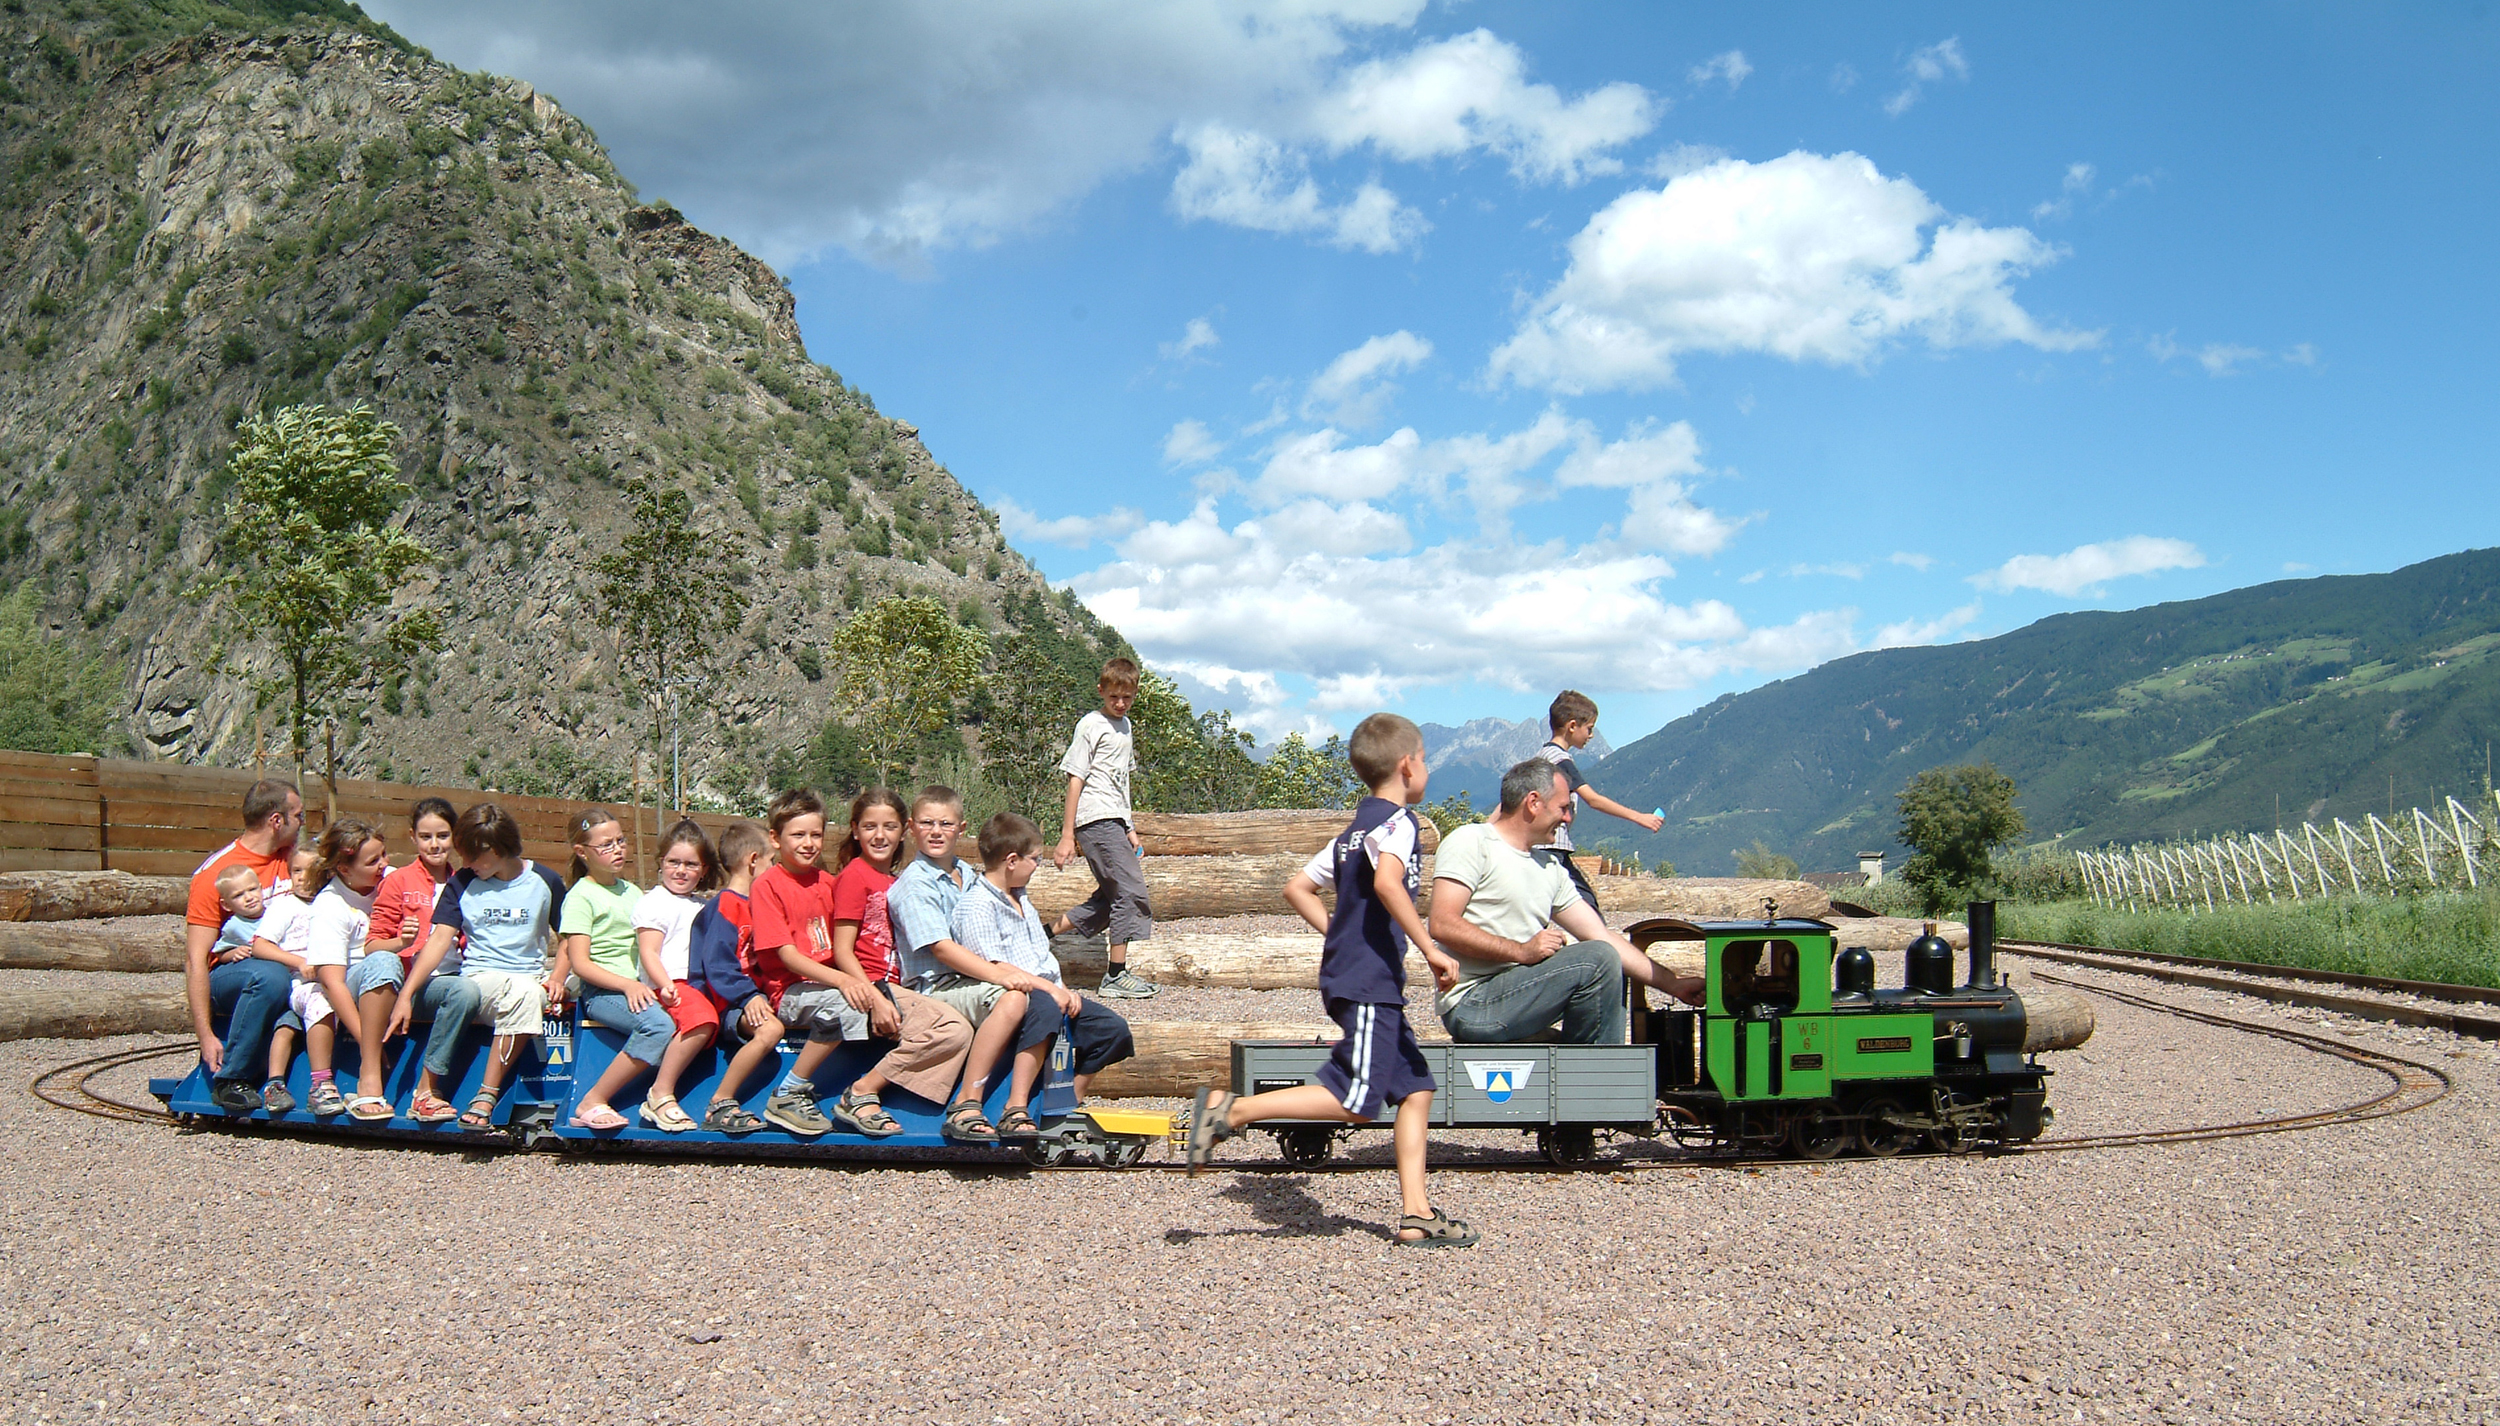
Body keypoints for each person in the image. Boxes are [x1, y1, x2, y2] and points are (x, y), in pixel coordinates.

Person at [1185, 713, 1476, 1247]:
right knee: (1358, 1102)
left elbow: (1297, 888)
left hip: (1360, 975)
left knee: (1416, 1088)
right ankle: (1234, 1110)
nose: (1427, 768)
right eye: (1425, 759)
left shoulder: (1350, 835)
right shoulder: (1400, 823)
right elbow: (1388, 884)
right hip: (1368, 981)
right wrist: (1430, 948)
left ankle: (1417, 1214)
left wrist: (1341, 934)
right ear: (1407, 765)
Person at [1430, 759, 1703, 1046]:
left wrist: (1674, 984)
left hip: (1519, 994)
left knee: (1607, 957)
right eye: (1563, 807)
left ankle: (1586, 1064)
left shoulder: (1549, 867)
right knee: (1599, 959)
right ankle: (1597, 1067)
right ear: (1533, 802)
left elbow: (1600, 935)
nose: (1568, 818)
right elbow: (1443, 924)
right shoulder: (1472, 842)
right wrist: (1521, 951)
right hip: (1473, 1003)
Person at [749, 788, 971, 1138]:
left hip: (874, 985)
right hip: (822, 988)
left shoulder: (840, 881)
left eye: (816, 835)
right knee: (950, 1028)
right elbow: (830, 952)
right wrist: (864, 990)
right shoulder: (848, 877)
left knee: (956, 1023)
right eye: (870, 827)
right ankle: (808, 1091)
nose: (880, 836)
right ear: (855, 830)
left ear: (904, 830)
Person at [391, 802, 568, 1131]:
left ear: (497, 850)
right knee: (526, 993)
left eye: (473, 857)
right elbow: (438, 940)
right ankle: (485, 1094)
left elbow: (569, 936)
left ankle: (488, 1094)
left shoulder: (545, 880)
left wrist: (558, 975)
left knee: (530, 991)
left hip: (530, 978)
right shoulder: (462, 883)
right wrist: (407, 993)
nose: (467, 864)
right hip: (481, 979)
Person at [888, 785, 1045, 1142]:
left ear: (961, 829)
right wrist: (1000, 975)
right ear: (911, 828)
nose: (936, 831)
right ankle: (967, 1103)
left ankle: (1026, 1103)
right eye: (927, 823)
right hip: (935, 986)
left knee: (1040, 999)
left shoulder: (967, 874)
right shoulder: (915, 884)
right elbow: (942, 949)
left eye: (945, 824)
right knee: (1012, 999)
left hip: (968, 980)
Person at [952, 811, 1136, 1112]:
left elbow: (1041, 954)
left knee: (1111, 1030)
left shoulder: (1021, 899)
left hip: (1048, 988)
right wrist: (1050, 990)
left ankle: (1067, 1101)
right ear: (1012, 861)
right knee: (1045, 1010)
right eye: (1035, 859)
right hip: (1016, 992)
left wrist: (1062, 988)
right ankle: (1017, 1103)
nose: (1038, 865)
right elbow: (993, 966)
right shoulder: (978, 905)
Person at [182, 779, 303, 1112]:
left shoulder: (295, 860)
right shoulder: (217, 874)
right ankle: (231, 1078)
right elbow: (196, 960)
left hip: (288, 963)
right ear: (276, 821)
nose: (303, 823)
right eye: (298, 816)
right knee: (270, 976)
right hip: (233, 972)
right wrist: (205, 1035)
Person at [1048, 657, 1157, 999]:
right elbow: (1075, 778)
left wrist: (1129, 827)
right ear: (1101, 691)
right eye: (1114, 697)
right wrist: (1067, 835)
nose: (1120, 703)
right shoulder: (1091, 725)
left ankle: (1040, 935)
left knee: (1110, 899)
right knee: (1130, 892)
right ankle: (1115, 975)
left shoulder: (1126, 727)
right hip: (1095, 818)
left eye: (1127, 697)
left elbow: (1121, 782)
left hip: (1114, 819)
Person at [557, 807, 664, 1132]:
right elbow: (580, 963)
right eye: (606, 845)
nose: (617, 849)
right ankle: (592, 1100)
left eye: (620, 841)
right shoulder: (580, 897)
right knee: (658, 1026)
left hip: (638, 987)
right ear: (582, 852)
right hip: (603, 993)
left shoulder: (632, 892)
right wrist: (627, 985)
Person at [349, 797, 459, 1112]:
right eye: (426, 837)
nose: (435, 844)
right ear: (413, 837)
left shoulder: (465, 881)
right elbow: (372, 946)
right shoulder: (398, 881)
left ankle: (428, 1089)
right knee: (383, 961)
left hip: (445, 979)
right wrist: (401, 941)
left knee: (465, 990)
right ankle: (369, 1074)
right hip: (401, 980)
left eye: (443, 836)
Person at [290, 817, 397, 1121]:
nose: (383, 865)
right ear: (345, 869)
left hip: (393, 980)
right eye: (373, 861)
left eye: (384, 855)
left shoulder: (391, 881)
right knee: (382, 961)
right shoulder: (331, 904)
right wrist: (368, 1043)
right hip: (354, 981)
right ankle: (362, 1075)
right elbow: (332, 981)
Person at [625, 819, 724, 1132]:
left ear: (704, 869)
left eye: (691, 864)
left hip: (700, 984)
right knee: (702, 1020)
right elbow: (649, 952)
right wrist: (665, 985)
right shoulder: (654, 902)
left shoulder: (701, 905)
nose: (681, 871)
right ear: (661, 863)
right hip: (670, 984)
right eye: (673, 862)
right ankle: (660, 1092)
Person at [1532, 690, 1664, 912]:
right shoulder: (1560, 761)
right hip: (1552, 849)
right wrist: (1639, 817)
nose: (1591, 735)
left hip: (1544, 847)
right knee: (1587, 908)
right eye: (1589, 729)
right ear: (1572, 726)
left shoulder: (1541, 756)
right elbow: (1593, 799)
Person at [686, 821, 778, 1134]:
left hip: (748, 998)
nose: (773, 868)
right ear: (753, 861)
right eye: (771, 861)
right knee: (771, 1030)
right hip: (726, 1004)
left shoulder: (755, 905)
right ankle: (720, 1102)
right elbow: (717, 965)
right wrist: (748, 996)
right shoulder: (725, 906)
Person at [249, 845, 322, 1113]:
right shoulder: (285, 906)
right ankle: (275, 1083)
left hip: (328, 978)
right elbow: (260, 945)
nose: (302, 877)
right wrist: (298, 962)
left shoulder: (332, 902)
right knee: (287, 1026)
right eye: (296, 871)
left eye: (310, 871)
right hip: (296, 980)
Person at [208, 865, 268, 961]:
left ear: (261, 889)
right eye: (238, 895)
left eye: (252, 889)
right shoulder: (234, 926)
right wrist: (234, 953)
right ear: (226, 905)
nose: (249, 898)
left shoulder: (277, 912)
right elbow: (220, 953)